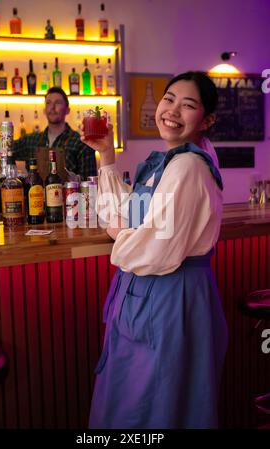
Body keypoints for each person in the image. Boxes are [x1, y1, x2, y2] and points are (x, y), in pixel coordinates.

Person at [80, 71, 228, 429]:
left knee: (156, 407)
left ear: (206, 120)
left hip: (171, 300)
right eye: (169, 98)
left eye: (188, 105)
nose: (173, 110)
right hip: (150, 299)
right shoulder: (166, 164)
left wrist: (122, 235)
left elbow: (155, 249)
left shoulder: (189, 167)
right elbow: (122, 215)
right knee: (139, 403)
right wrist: (106, 155)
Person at [0, 87, 97, 180]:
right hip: (35, 206)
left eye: (58, 103)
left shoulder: (81, 142)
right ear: (44, 110)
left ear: (67, 110)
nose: (52, 107)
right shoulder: (31, 141)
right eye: (48, 103)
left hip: (69, 208)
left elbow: (90, 183)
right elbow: (0, 149)